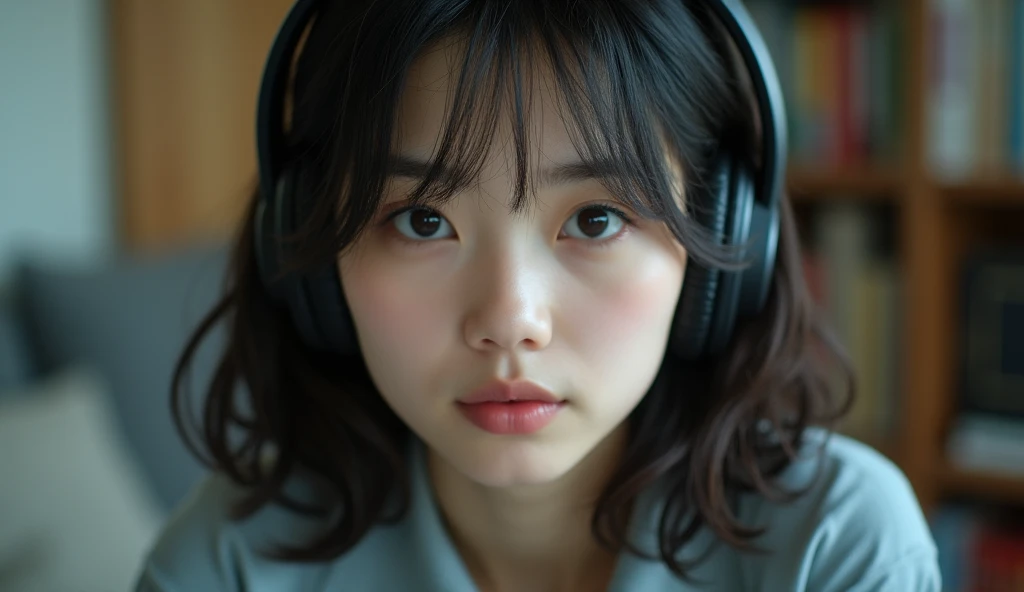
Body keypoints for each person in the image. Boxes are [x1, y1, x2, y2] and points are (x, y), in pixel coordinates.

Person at [134, 0, 940, 590]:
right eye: (421, 220)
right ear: (308, 257)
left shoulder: (836, 547)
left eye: (595, 218)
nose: (510, 320)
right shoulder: (225, 561)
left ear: (721, 248)